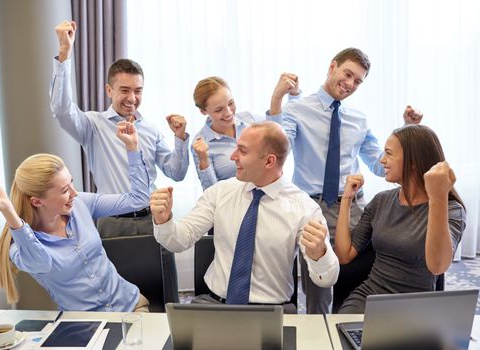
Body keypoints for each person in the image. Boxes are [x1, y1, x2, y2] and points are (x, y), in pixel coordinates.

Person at [268, 47, 423, 314]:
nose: (350, 84)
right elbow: (276, 148)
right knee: (318, 286)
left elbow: (378, 164)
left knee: (360, 275)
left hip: (351, 207)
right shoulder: (298, 109)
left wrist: (409, 129)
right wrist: (277, 98)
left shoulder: (358, 119)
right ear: (332, 67)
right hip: (311, 207)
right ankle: (320, 333)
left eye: (358, 81)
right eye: (347, 74)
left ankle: (351, 331)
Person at [51, 20, 186, 299]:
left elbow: (176, 172)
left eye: (138, 90)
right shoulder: (93, 125)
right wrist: (64, 54)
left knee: (164, 296)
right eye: (124, 90)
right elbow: (61, 109)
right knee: (119, 299)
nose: (132, 98)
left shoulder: (150, 129)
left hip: (154, 220)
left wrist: (181, 140)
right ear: (109, 90)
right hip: (112, 223)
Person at [151, 121, 339, 313]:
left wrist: (320, 254)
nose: (233, 157)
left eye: (242, 151)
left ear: (269, 161)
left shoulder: (304, 209)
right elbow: (178, 241)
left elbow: (327, 278)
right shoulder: (220, 192)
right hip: (215, 307)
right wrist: (164, 220)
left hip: (271, 312)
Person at [0, 121, 151, 312]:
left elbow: (138, 200)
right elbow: (40, 262)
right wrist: (8, 211)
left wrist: (132, 148)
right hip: (87, 328)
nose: (75, 193)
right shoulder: (20, 248)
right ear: (37, 202)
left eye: (71, 183)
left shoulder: (81, 203)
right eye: (65, 190)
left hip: (130, 306)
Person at [334, 124, 465, 313]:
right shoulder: (382, 201)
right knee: (343, 336)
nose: (382, 160)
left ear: (413, 161)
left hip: (415, 306)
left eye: (388, 153)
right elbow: (344, 255)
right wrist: (346, 199)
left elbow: (437, 266)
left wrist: (438, 197)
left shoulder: (451, 209)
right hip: (369, 297)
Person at [192, 76, 299, 190]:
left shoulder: (250, 119)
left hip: (271, 197)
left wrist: (279, 98)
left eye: (231, 103)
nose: (228, 113)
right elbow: (211, 193)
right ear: (203, 111)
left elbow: (280, 144)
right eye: (219, 110)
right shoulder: (201, 144)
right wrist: (203, 160)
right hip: (235, 205)